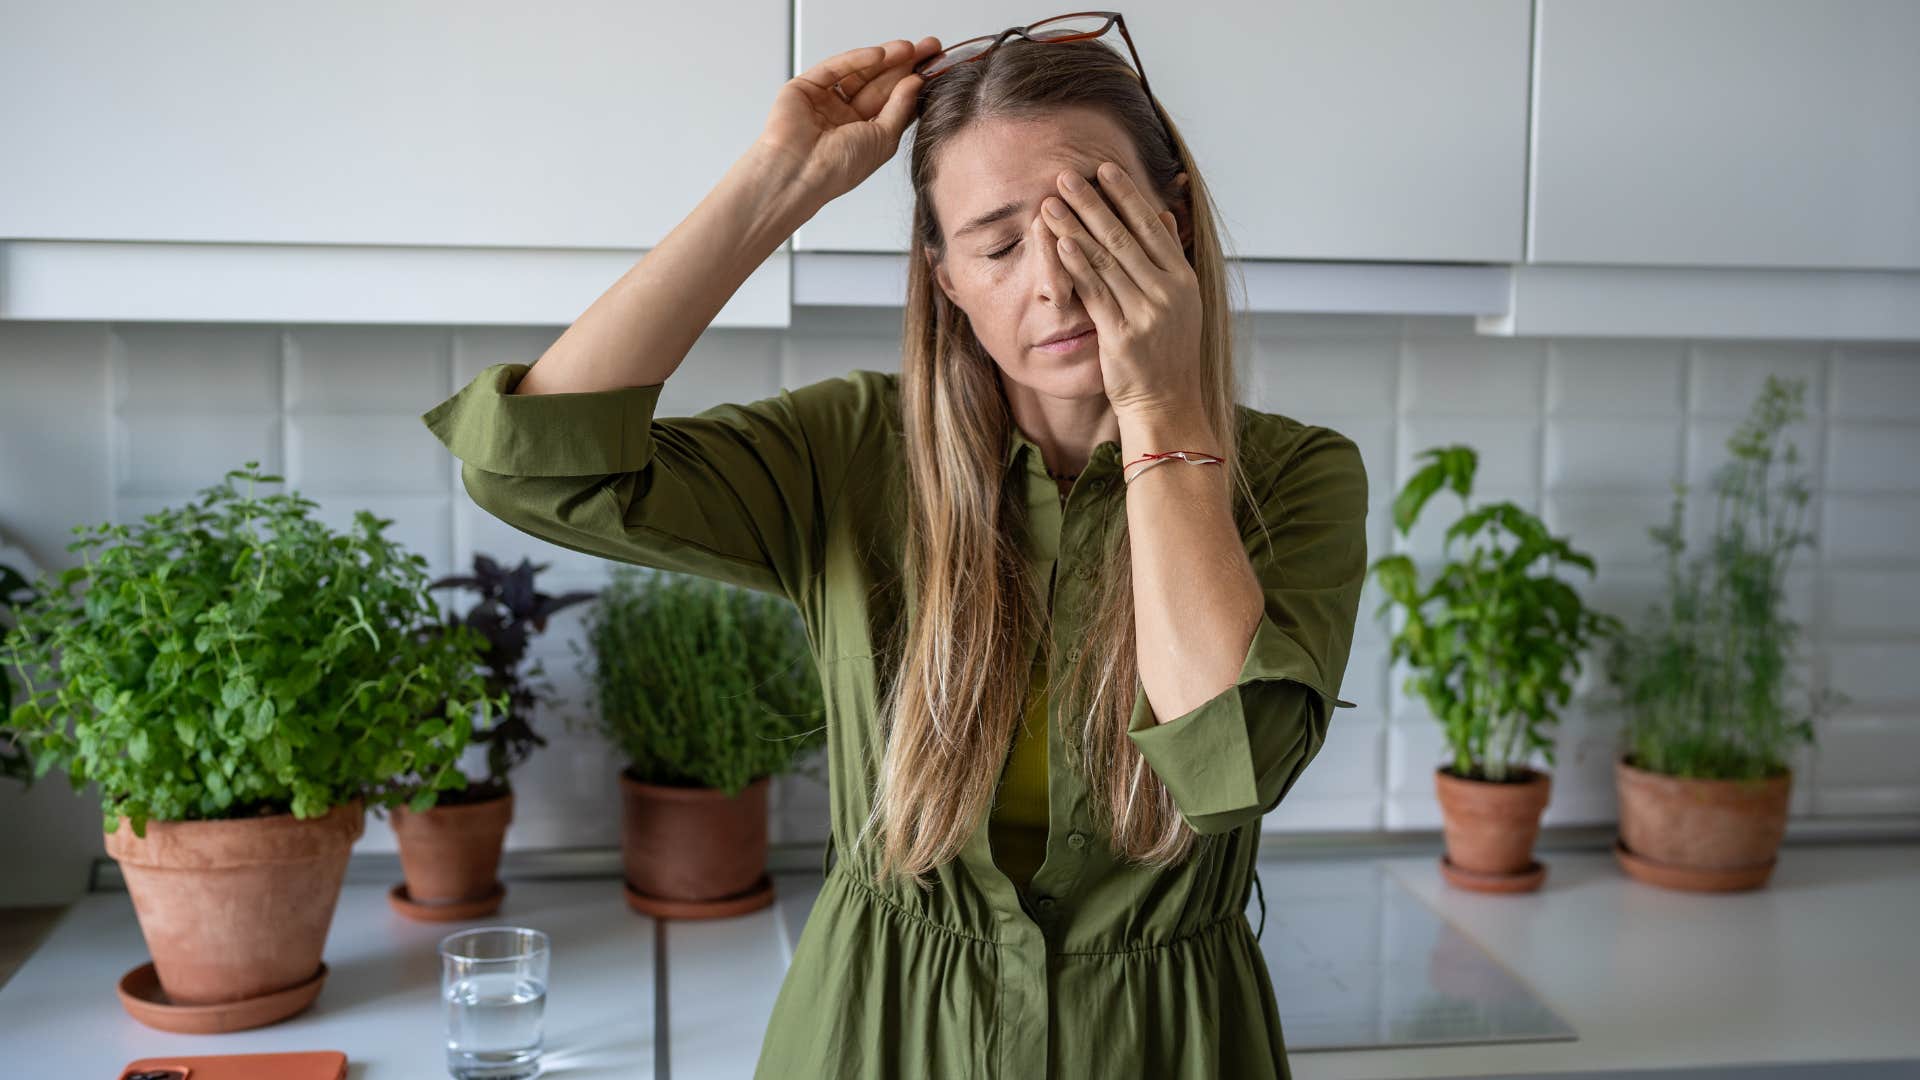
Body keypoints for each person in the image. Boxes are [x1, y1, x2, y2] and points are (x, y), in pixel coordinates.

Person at [422, 26, 1366, 1080]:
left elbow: (1227, 766)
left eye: (1094, 227)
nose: (1053, 286)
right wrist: (777, 184)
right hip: (871, 1037)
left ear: (1174, 223)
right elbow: (532, 469)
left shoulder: (1297, 479)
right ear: (945, 276)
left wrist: (1158, 402)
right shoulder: (852, 452)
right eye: (999, 246)